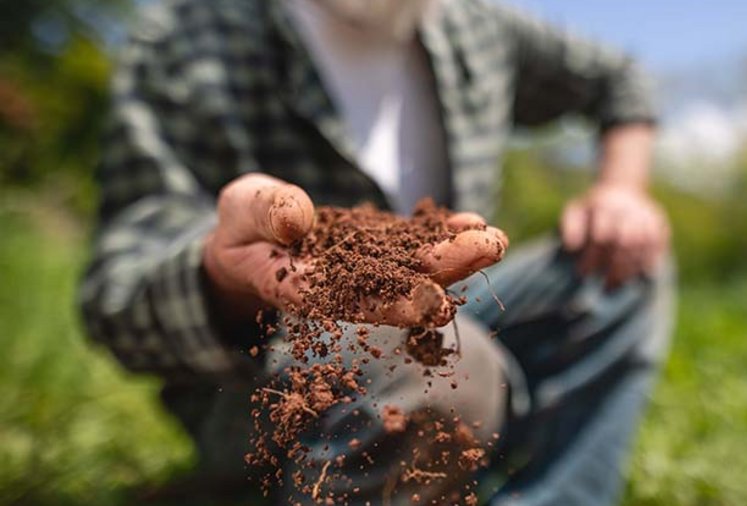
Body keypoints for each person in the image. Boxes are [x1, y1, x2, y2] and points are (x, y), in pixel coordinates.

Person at [79, 0, 673, 504]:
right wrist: (224, 272)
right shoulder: (189, 40)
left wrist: (621, 190)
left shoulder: (469, 25)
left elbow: (619, 77)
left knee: (619, 266)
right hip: (270, 364)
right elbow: (116, 294)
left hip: (453, 310)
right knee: (449, 372)